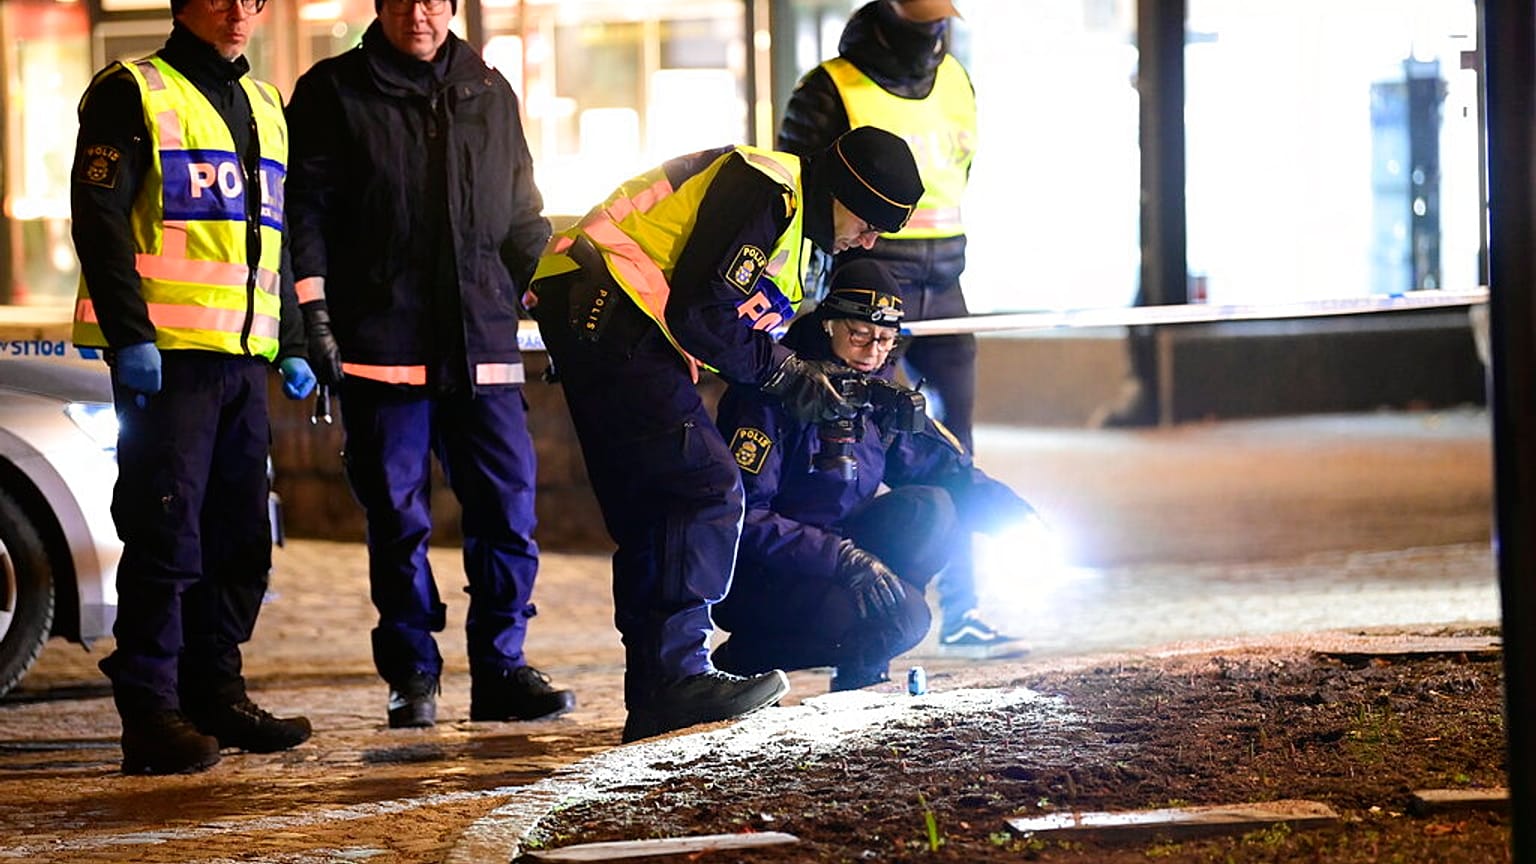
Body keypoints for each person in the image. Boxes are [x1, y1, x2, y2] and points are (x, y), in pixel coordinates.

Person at [527, 126, 923, 741]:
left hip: (602, 309)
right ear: (841, 191)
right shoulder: (767, 188)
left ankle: (658, 691)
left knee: (655, 508)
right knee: (704, 484)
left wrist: (808, 377)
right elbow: (701, 312)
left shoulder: (793, 233)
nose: (867, 240)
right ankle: (678, 678)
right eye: (868, 223)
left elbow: (728, 326)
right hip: (610, 302)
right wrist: (786, 374)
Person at [284, 0, 574, 729]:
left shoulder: (490, 90)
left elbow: (522, 218)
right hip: (384, 344)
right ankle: (412, 672)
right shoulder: (333, 92)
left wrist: (561, 304)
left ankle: (501, 668)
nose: (420, 14)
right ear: (379, 6)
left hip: (482, 345)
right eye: (403, 0)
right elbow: (304, 215)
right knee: (398, 520)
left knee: (508, 512)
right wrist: (313, 318)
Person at [69, 0, 317, 775]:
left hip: (242, 361)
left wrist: (293, 341)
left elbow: (272, 235)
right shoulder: (133, 91)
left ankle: (216, 693)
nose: (239, 12)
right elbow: (98, 216)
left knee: (239, 539)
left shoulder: (264, 104)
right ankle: (150, 711)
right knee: (166, 533)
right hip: (169, 363)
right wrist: (131, 333)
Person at [777, 0, 1025, 655]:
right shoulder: (832, 86)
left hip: (946, 281)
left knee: (953, 448)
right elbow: (804, 193)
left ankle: (965, 609)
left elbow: (960, 175)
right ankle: (859, 607)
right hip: (869, 284)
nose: (935, 27)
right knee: (862, 434)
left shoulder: (957, 78)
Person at [711, 260, 1039, 689]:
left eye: (885, 339)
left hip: (836, 556)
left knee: (932, 508)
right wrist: (842, 558)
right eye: (859, 335)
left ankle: (863, 663)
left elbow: (944, 470)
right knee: (906, 619)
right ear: (828, 323)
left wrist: (1015, 517)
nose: (871, 351)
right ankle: (749, 655)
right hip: (763, 575)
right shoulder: (775, 392)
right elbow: (743, 518)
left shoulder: (876, 393)